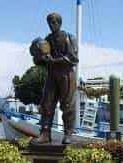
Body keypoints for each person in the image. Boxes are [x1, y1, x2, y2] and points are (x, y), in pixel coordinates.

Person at [32, 12, 78, 144]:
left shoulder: (69, 38)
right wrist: (39, 56)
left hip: (66, 74)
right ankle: (45, 133)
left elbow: (73, 58)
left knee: (68, 105)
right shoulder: (47, 40)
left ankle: (68, 133)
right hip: (52, 75)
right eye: (49, 23)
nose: (51, 25)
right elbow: (41, 61)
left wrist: (54, 60)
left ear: (59, 22)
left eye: (53, 22)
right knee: (47, 103)